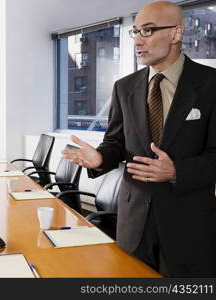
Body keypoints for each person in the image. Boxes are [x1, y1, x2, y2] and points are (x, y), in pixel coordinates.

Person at [62, 1, 216, 277]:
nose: (138, 41)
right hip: (134, 224)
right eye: (136, 32)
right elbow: (116, 143)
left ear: (176, 34)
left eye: (148, 30)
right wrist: (100, 158)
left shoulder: (210, 84)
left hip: (188, 227)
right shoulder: (125, 87)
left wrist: (176, 171)